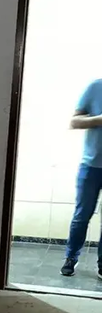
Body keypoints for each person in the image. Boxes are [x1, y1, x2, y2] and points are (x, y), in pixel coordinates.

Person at [62, 79, 102, 277]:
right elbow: (74, 122)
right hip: (90, 167)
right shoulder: (95, 87)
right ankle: (71, 257)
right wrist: (99, 119)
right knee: (81, 216)